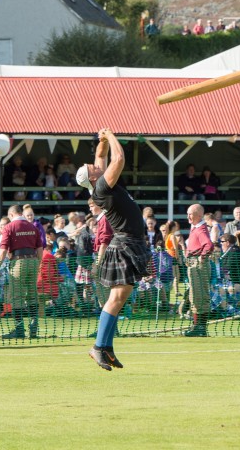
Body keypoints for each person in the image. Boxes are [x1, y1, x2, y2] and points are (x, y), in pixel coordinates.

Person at [76, 127, 150, 372]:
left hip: (130, 243)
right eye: (92, 167)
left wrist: (103, 139)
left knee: (120, 298)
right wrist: (112, 136)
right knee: (116, 298)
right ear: (93, 177)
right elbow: (119, 159)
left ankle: (106, 347)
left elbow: (101, 155)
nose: (95, 164)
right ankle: (98, 347)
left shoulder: (98, 183)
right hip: (124, 245)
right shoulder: (102, 189)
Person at [0, 203, 44, 338]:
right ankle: (34, 328)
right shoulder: (32, 227)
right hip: (33, 260)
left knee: (17, 296)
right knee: (32, 294)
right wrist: (38, 264)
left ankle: (19, 330)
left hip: (18, 261)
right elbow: (40, 249)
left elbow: (3, 249)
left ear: (11, 215)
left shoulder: (9, 227)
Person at [183, 203, 214, 336]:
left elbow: (209, 244)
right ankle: (198, 327)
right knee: (196, 295)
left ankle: (199, 328)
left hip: (197, 263)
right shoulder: (195, 228)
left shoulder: (200, 229)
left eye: (191, 214)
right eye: (188, 213)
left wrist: (202, 257)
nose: (188, 216)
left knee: (198, 295)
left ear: (199, 215)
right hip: (194, 261)